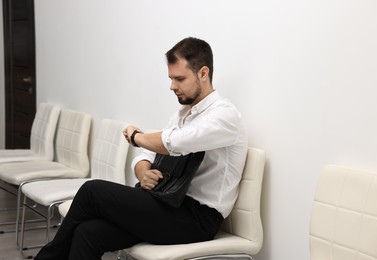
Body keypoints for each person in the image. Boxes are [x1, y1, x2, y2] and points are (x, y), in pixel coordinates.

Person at [34, 37, 248, 260]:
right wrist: (143, 172)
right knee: (88, 233)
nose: (172, 86)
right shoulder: (183, 114)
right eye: (171, 78)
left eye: (179, 79)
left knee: (92, 191)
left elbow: (176, 143)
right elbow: (148, 154)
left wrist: (137, 137)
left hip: (197, 219)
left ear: (203, 73)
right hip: (168, 203)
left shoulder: (225, 116)